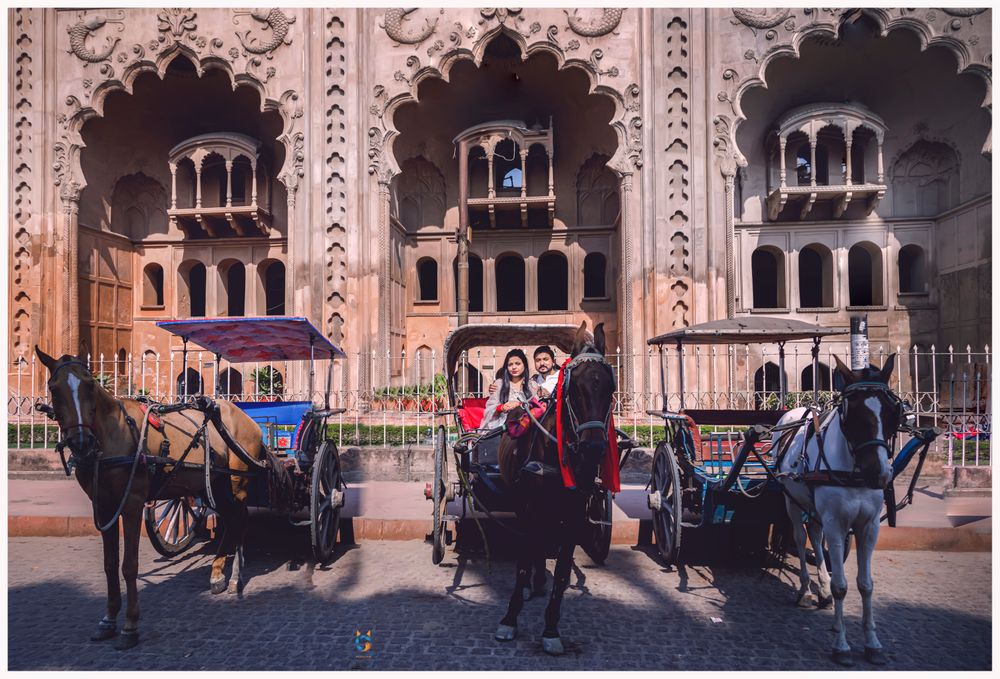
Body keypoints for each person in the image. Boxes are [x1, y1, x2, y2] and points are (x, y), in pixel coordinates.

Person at [481, 348, 537, 431]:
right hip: (503, 427)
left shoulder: (532, 385)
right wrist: (503, 407)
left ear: (524, 365)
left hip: (527, 426)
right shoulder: (499, 384)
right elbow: (489, 410)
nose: (514, 367)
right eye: (510, 364)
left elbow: (537, 407)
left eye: (518, 364)